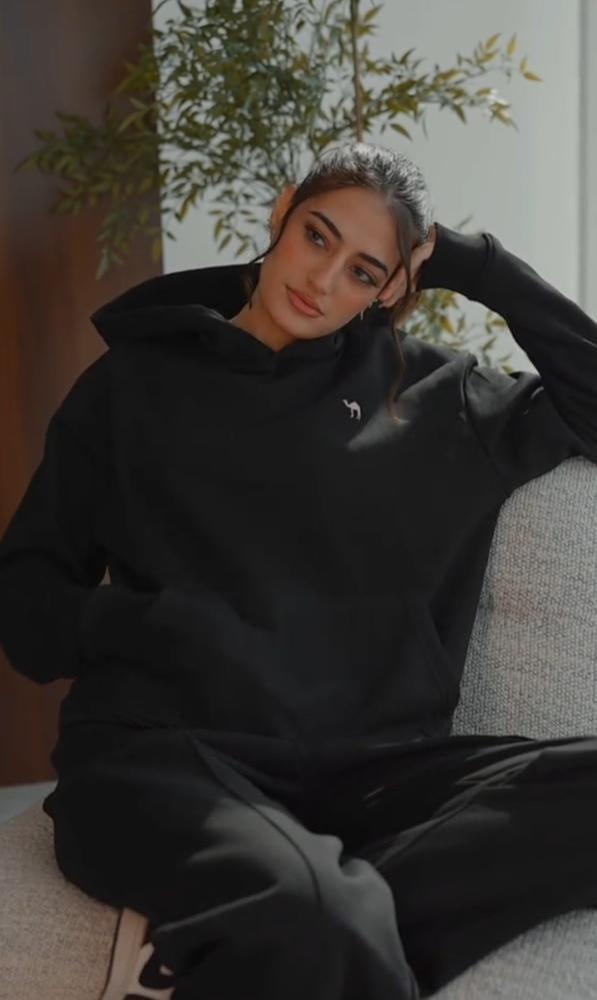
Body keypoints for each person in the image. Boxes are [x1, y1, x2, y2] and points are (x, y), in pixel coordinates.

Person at [1, 140, 596, 1000]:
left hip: (370, 776)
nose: (322, 279)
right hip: (166, 759)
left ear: (390, 287)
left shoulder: (432, 397)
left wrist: (477, 267)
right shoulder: (131, 383)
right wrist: (148, 625)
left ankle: (265, 934)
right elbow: (23, 606)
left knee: (334, 910)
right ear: (282, 212)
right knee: (323, 917)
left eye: (362, 270)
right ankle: (304, 915)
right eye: (317, 236)